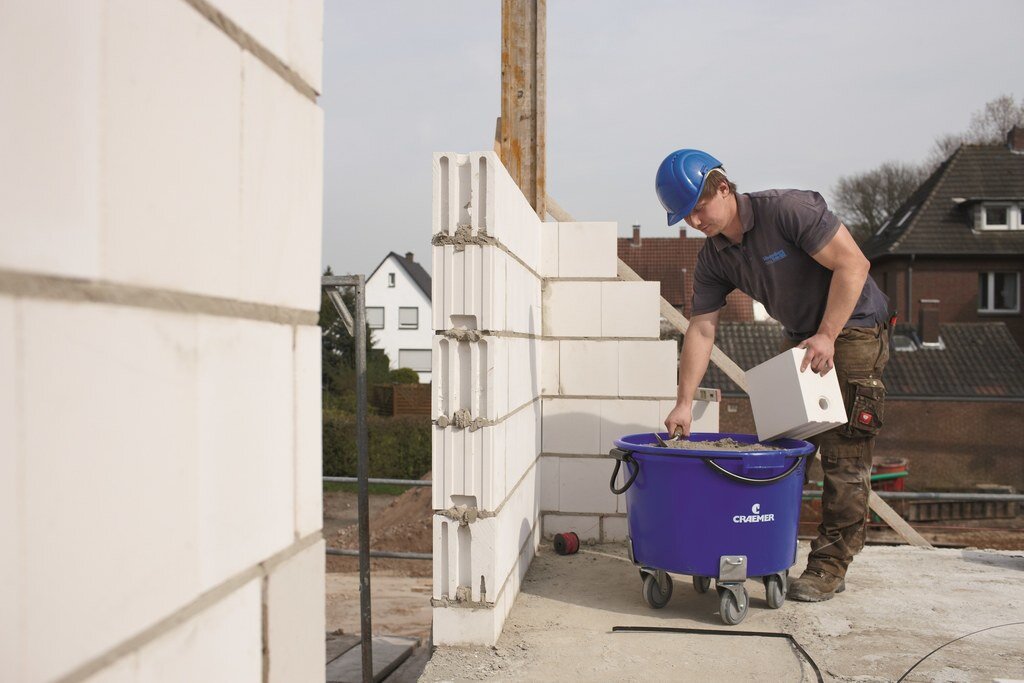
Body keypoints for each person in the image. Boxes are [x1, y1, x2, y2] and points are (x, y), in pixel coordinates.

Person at [656, 149, 891, 602]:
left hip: (854, 328)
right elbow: (702, 329)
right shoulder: (715, 258)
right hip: (805, 337)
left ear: (723, 187)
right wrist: (684, 402)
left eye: (698, 207)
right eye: (684, 215)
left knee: (843, 456)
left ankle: (829, 565)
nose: (694, 220)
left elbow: (854, 265)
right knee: (785, 451)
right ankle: (772, 548)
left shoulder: (788, 210)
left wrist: (827, 333)